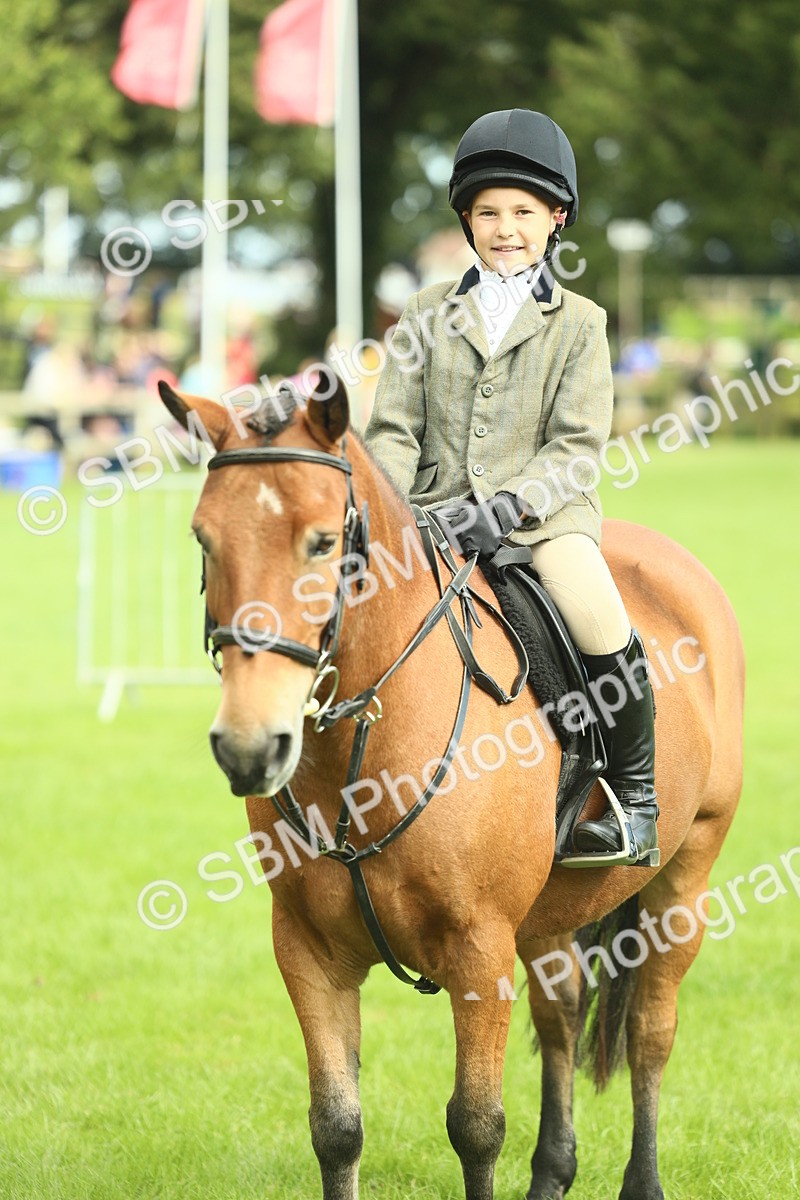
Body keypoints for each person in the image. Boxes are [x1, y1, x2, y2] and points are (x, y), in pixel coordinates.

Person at [364, 108, 658, 865]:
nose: (505, 228)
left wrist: (507, 506)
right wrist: (388, 515)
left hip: (542, 520)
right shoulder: (426, 313)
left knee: (597, 616)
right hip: (427, 517)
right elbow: (393, 428)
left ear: (555, 219)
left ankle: (635, 800)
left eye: (523, 212)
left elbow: (577, 446)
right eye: (488, 212)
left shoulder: (582, 323)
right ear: (466, 219)